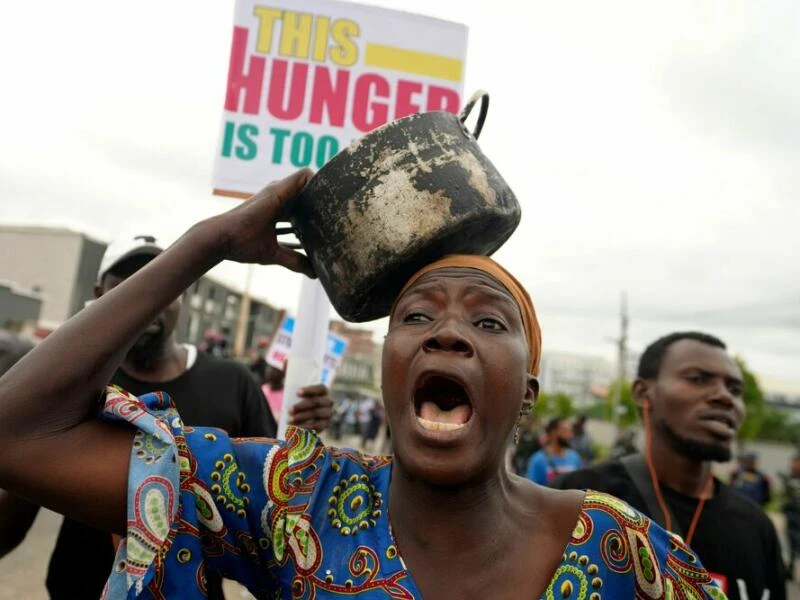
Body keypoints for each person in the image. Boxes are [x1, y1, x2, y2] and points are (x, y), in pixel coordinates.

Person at [0, 171, 725, 598]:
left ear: (529, 393)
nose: (448, 333)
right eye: (416, 316)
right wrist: (208, 243)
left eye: (490, 323)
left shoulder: (620, 549)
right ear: (388, 372)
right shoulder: (292, 500)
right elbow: (19, 436)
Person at [0, 234, 333, 600]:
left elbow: (273, 511)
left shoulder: (233, 384)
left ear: (182, 294)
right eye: (128, 286)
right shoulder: (74, 387)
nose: (147, 301)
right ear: (99, 294)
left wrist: (300, 440)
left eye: (160, 284)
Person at [553, 331, 786, 600]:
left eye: (735, 390)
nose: (725, 397)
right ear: (643, 393)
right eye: (698, 379)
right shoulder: (581, 497)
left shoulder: (757, 528)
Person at [525, 416, 582, 486]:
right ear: (553, 433)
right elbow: (530, 489)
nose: (571, 436)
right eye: (566, 431)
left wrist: (597, 496)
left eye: (571, 431)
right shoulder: (538, 460)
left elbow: (581, 486)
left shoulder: (575, 457)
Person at [781, 454, 800, 580]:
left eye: (796, 463)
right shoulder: (790, 478)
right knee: (791, 542)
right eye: (793, 463)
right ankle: (791, 568)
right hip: (792, 514)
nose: (794, 465)